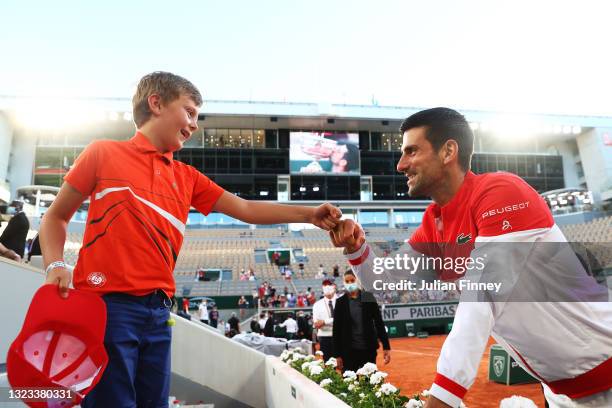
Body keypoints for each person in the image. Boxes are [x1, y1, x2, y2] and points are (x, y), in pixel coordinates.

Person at [39, 72, 342, 407]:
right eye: (190, 111)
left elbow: (245, 208)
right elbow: (55, 217)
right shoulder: (102, 153)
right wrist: (55, 263)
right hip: (107, 307)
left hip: (159, 314)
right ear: (156, 103)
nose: (194, 124)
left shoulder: (188, 177)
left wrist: (310, 215)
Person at [329, 107, 612, 407]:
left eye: (411, 151)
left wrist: (442, 398)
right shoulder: (433, 223)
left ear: (448, 151)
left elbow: (483, 296)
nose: (400, 165)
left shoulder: (501, 191)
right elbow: (382, 279)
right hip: (561, 392)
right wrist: (355, 247)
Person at [332, 270, 390, 372]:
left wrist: (386, 347)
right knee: (350, 384)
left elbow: (379, 323)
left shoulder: (368, 297)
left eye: (352, 280)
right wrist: (337, 355)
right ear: (344, 283)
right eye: (347, 281)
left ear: (357, 280)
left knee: (369, 383)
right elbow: (336, 330)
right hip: (348, 352)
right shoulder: (340, 302)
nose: (350, 283)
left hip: (368, 350)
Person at [312, 279, 338, 361]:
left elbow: (344, 319)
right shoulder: (317, 305)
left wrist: (324, 321)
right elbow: (317, 324)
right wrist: (335, 320)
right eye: (325, 285)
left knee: (344, 363)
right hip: (325, 338)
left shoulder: (342, 301)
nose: (327, 287)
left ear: (334, 287)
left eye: (329, 285)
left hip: (341, 336)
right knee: (329, 363)